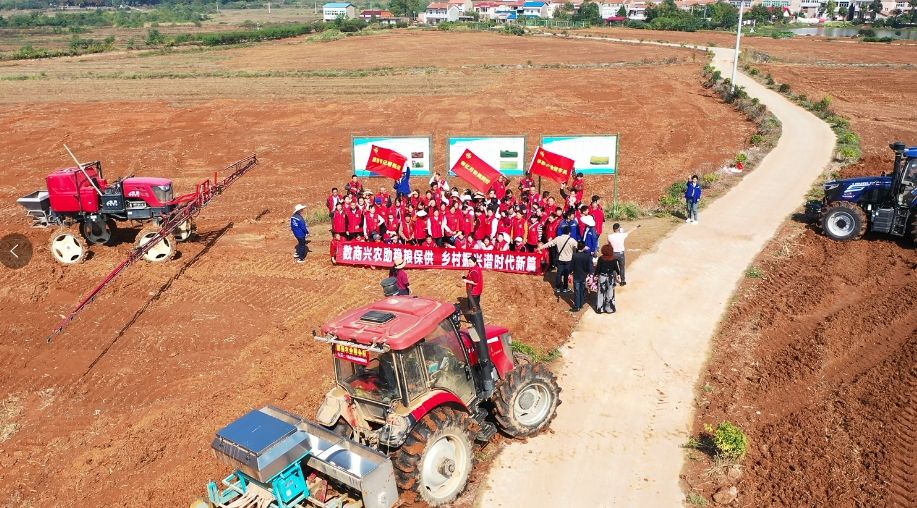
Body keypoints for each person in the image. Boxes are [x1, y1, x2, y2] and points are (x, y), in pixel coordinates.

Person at [537, 225, 576, 293]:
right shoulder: (572, 240)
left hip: (560, 259)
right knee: (566, 274)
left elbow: (549, 244)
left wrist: (541, 247)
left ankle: (557, 288)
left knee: (559, 273)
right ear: (569, 232)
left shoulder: (558, 238)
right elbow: (578, 247)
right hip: (568, 260)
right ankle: (565, 288)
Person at [595, 244, 621, 314]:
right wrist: (618, 274)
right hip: (610, 278)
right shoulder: (614, 259)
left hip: (602, 277)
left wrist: (595, 275)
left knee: (601, 292)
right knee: (610, 292)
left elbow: (598, 268)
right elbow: (616, 268)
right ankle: (609, 309)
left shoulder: (601, 258)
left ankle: (600, 309)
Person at [570, 241, 593, 312]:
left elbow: (571, 266)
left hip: (576, 275)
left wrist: (569, 272)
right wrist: (590, 274)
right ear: (584, 247)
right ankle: (581, 304)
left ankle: (577, 306)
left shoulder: (574, 255)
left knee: (577, 290)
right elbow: (589, 266)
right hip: (584, 275)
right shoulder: (587, 256)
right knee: (582, 289)